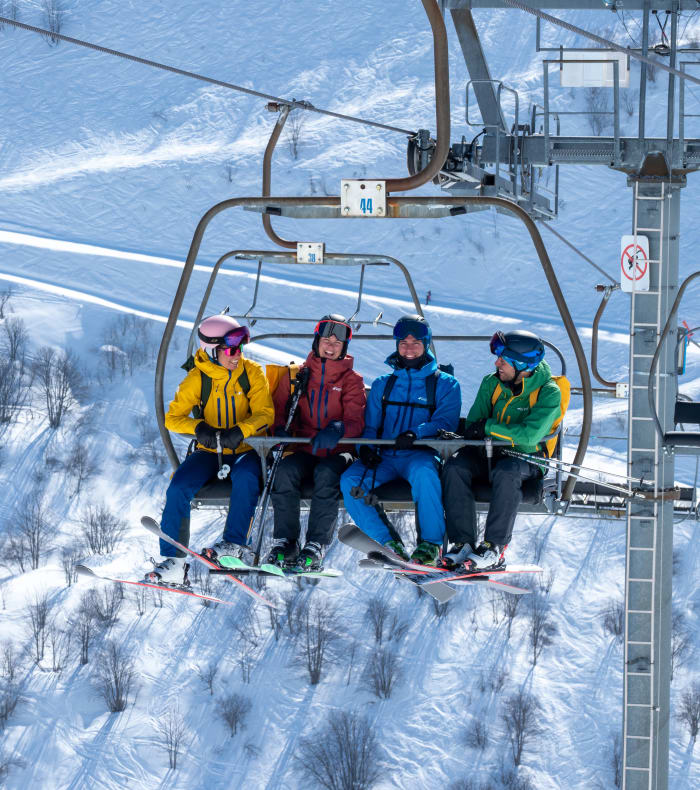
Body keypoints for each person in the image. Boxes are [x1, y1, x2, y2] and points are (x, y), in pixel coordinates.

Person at [145, 314, 274, 583]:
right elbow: (172, 418)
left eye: (239, 349)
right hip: (209, 450)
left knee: (247, 478)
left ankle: (234, 544)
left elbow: (265, 414)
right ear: (210, 350)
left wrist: (241, 431)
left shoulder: (251, 373)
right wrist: (200, 428)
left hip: (247, 449)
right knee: (179, 486)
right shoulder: (197, 379)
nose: (236, 355)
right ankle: (174, 560)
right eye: (230, 350)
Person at [340, 314, 461, 566]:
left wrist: (416, 433)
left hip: (420, 455)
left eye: (415, 342)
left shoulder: (445, 384)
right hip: (384, 457)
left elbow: (445, 422)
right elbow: (370, 426)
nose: (408, 348)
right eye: (403, 343)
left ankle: (429, 545)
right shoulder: (383, 385)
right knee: (351, 480)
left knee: (425, 476)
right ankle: (387, 542)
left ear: (426, 344)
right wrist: (366, 450)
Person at [441, 330, 561, 571]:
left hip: (526, 458)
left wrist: (489, 427)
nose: (497, 364)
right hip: (487, 453)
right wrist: (489, 430)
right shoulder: (491, 383)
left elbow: (530, 436)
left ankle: (493, 547)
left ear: (521, 364)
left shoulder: (548, 392)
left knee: (507, 472)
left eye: (503, 360)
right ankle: (463, 543)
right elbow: (475, 421)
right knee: (455, 466)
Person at [266, 315, 366, 570]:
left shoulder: (351, 380)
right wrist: (280, 431)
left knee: (326, 473)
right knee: (286, 471)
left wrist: (339, 427)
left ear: (344, 347)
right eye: (325, 340)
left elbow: (357, 422)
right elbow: (279, 411)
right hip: (306, 448)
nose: (330, 346)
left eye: (336, 342)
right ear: (316, 342)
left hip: (340, 452)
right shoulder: (298, 375)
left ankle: (316, 544)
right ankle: (286, 541)